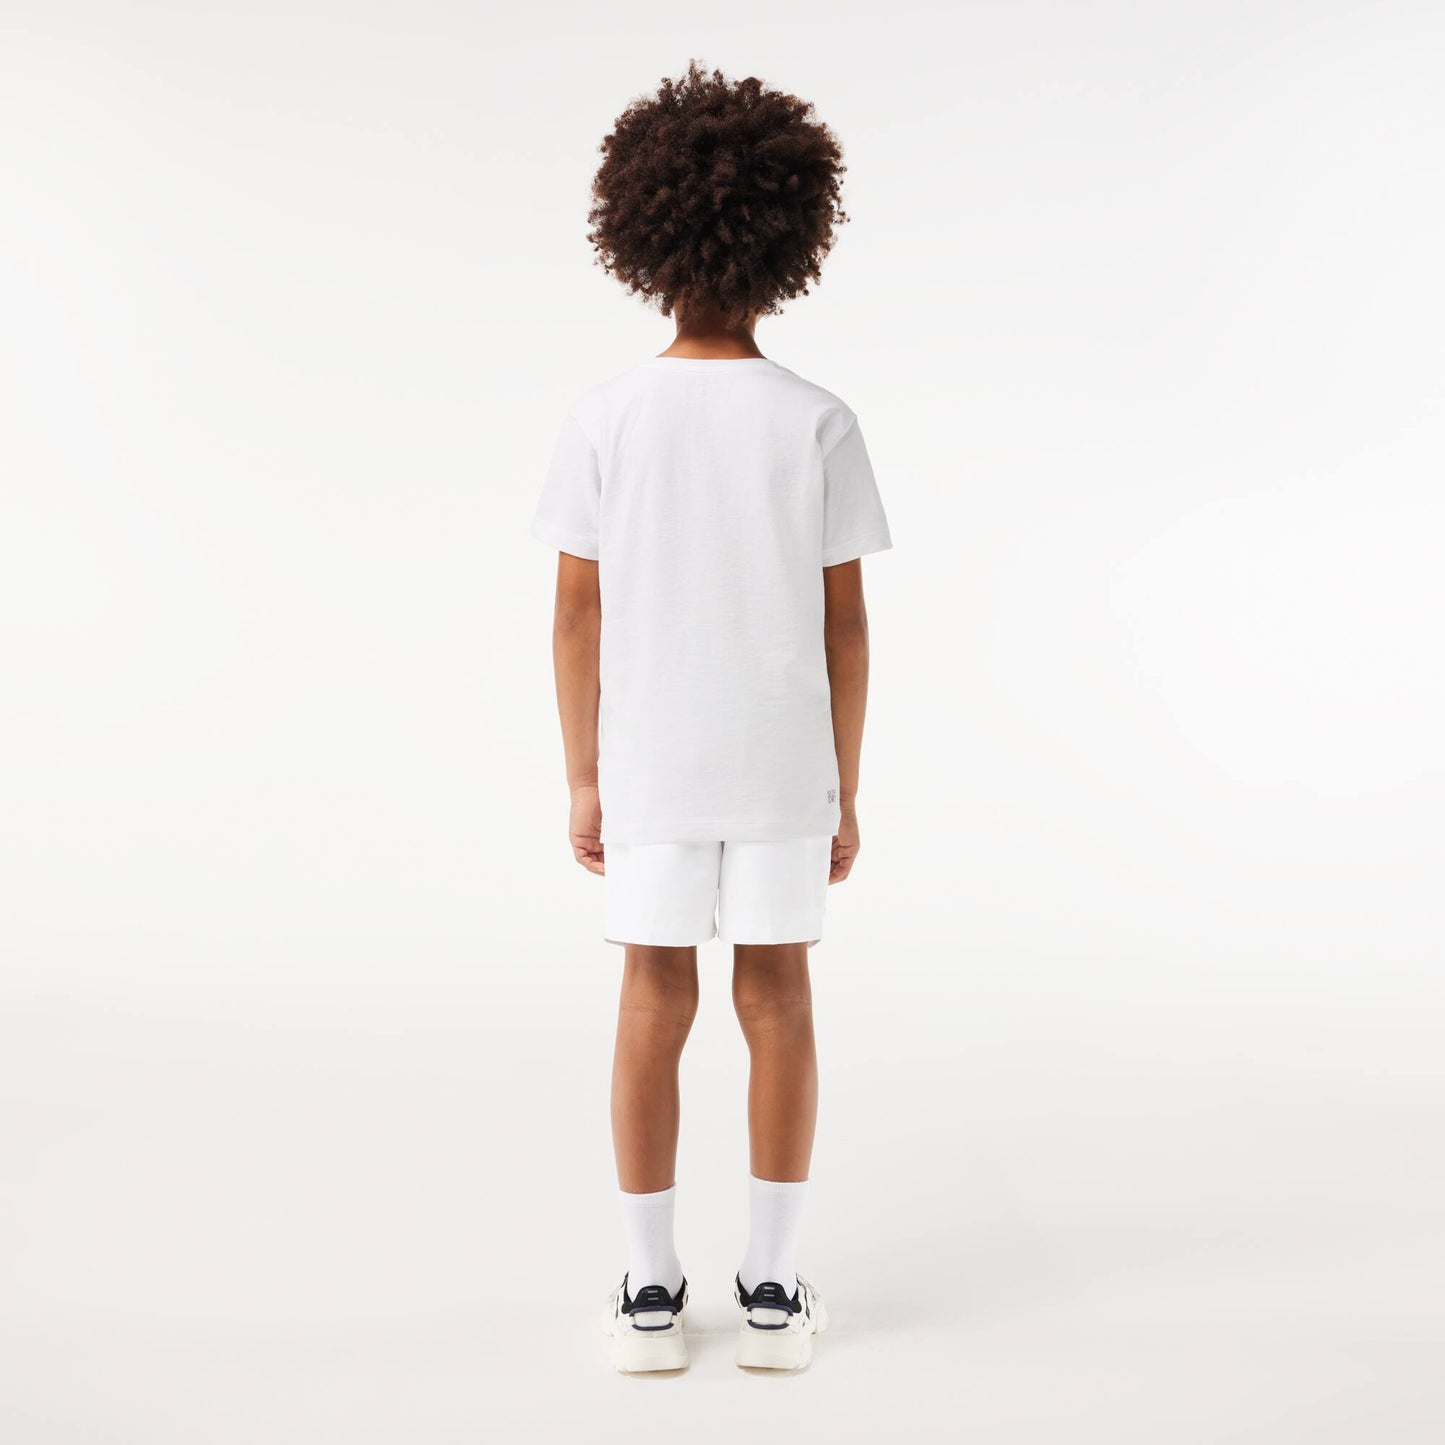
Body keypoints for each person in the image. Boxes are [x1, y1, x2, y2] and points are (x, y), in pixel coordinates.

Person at [531, 61, 891, 1374]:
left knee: (652, 993)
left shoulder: (605, 418)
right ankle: (774, 1289)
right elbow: (844, 626)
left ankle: (647, 1288)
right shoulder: (817, 421)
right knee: (778, 995)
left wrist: (583, 777)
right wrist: (846, 784)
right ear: (787, 242)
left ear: (644, 236)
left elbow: (577, 617)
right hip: (783, 759)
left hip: (652, 761)